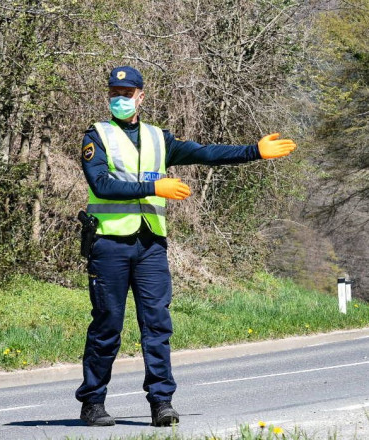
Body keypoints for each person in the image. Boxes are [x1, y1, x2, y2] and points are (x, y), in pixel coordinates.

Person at [76, 66, 296, 427]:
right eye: (115, 91)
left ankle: (162, 402)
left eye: (127, 92)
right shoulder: (96, 136)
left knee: (157, 325)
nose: (120, 98)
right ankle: (93, 403)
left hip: (150, 245)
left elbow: (206, 152)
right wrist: (153, 188)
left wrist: (253, 151)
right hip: (109, 245)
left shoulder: (159, 139)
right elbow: (100, 184)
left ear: (141, 96)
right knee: (107, 326)